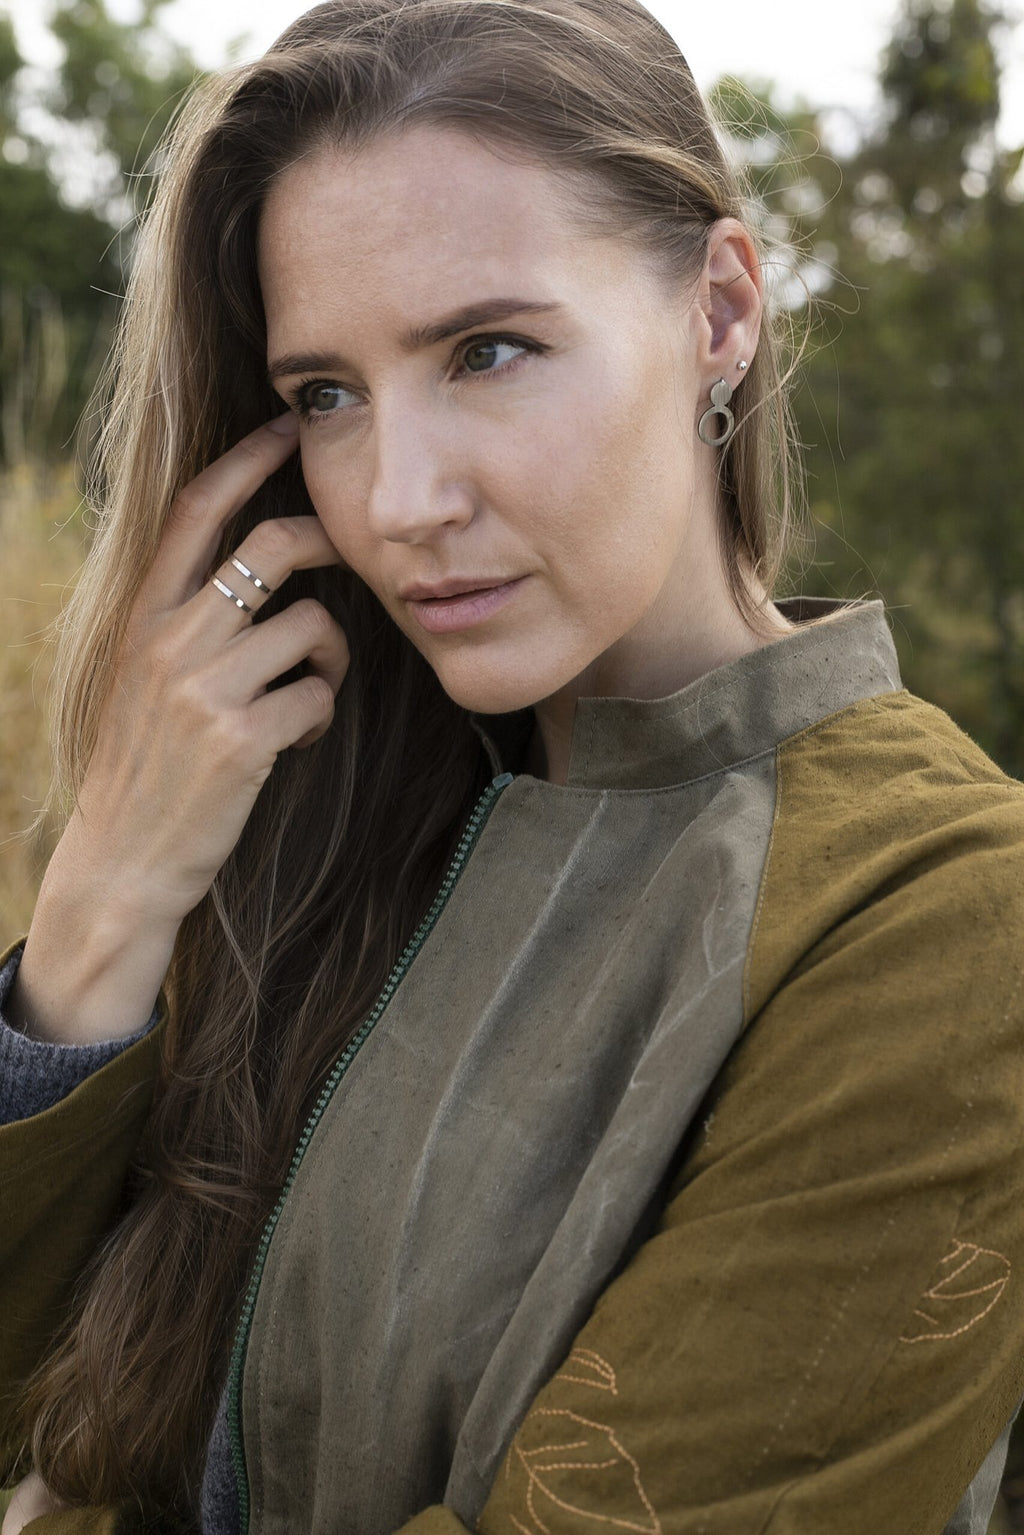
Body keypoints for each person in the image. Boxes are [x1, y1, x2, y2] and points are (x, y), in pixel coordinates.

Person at [1, 0, 1023, 1531]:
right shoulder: (292, 823)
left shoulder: (946, 911)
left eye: (488, 350)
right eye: (323, 397)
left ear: (720, 313)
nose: (398, 499)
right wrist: (100, 909)